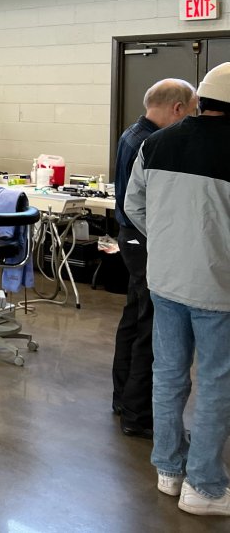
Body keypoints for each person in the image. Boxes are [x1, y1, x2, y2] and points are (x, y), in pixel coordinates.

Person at [125, 62, 230, 517]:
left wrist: (169, 245)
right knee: (216, 383)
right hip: (218, 288)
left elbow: (133, 205)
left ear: (201, 100)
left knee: (168, 375)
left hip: (165, 280)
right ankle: (204, 487)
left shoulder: (156, 143)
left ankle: (168, 470)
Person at [111, 79, 196, 439]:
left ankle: (122, 399)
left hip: (130, 237)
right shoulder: (153, 143)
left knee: (134, 319)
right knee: (150, 328)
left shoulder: (131, 134)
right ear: (178, 108)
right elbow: (143, 203)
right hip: (142, 239)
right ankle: (138, 415)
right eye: (191, 112)